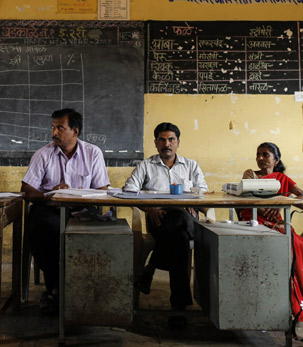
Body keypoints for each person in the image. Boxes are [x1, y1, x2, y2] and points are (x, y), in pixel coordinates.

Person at [21, 108, 110, 314]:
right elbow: (26, 190)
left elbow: (102, 190)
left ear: (75, 132)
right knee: (46, 231)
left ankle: (88, 288)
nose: (54, 133)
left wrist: (80, 195)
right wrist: (49, 194)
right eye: (53, 127)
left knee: (105, 234)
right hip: (49, 209)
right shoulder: (43, 154)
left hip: (82, 209)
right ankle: (56, 288)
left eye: (60, 128)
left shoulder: (92, 153)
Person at [124, 122, 208, 310]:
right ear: (155, 143)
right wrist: (150, 208)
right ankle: (178, 306)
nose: (166, 144)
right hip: (159, 219)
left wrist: (193, 203)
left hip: (187, 218)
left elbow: (203, 192)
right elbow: (129, 190)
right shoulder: (146, 165)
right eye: (162, 140)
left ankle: (151, 267)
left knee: (180, 218)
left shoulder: (191, 166)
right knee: (179, 239)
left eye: (171, 139)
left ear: (178, 142)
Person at [238, 142, 303, 322]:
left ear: (276, 160)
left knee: (295, 245)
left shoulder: (282, 179)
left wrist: (281, 203)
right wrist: (264, 208)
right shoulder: (250, 175)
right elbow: (244, 199)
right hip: (254, 222)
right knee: (286, 244)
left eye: (265, 155)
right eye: (258, 154)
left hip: (276, 224)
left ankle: (301, 300)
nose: (260, 158)